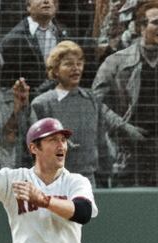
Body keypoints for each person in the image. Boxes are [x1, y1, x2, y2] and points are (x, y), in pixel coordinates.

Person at [92, 0, 158, 187]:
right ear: (140, 27)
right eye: (156, 22)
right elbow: (95, 103)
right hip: (132, 150)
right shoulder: (116, 62)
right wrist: (122, 127)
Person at [28, 39, 144, 186]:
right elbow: (34, 149)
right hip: (53, 181)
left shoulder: (92, 100)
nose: (76, 68)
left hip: (88, 181)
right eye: (69, 64)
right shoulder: (42, 104)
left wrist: (108, 173)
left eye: (79, 63)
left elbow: (102, 142)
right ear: (55, 70)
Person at [0, 0, 73, 92]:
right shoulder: (12, 40)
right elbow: (4, 83)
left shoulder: (65, 35)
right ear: (28, 6)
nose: (46, 1)